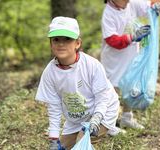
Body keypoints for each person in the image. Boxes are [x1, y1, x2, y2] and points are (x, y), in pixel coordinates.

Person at [35, 16, 120, 150]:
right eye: (56, 40)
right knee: (60, 147)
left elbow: (102, 97)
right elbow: (54, 108)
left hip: (103, 111)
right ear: (51, 44)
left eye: (67, 39)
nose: (61, 44)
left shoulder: (92, 65)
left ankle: (108, 127)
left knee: (82, 141)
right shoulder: (49, 73)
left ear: (78, 43)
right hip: (77, 119)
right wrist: (53, 138)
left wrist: (97, 118)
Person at [101, 0, 160, 133]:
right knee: (113, 90)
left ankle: (126, 117)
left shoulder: (132, 4)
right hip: (114, 60)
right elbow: (111, 39)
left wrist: (156, 6)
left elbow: (149, 5)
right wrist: (132, 37)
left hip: (131, 57)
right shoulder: (108, 13)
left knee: (129, 87)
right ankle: (108, 123)